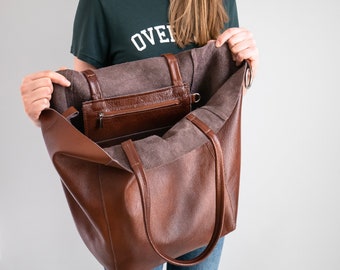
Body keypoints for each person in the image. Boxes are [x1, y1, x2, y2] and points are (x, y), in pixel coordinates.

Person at [20, 0, 259, 269]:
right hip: (133, 195)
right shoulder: (99, 3)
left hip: (202, 187)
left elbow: (221, 100)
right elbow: (88, 105)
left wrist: (246, 67)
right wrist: (46, 112)